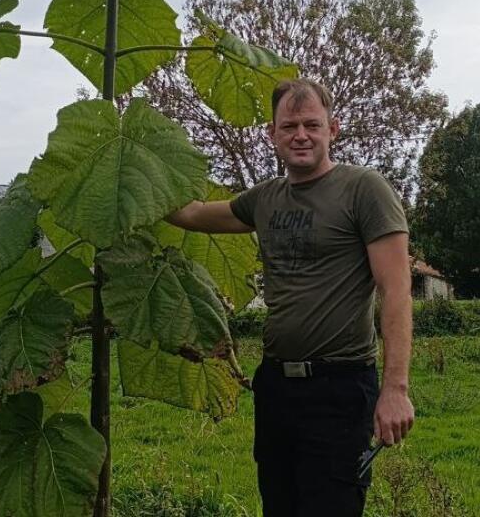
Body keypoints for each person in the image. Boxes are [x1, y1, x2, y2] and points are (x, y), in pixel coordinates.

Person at [166, 78, 415, 516]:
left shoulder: (364, 190)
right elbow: (192, 213)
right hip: (276, 386)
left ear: (332, 130)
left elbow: (395, 289)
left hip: (340, 387)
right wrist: (141, 166)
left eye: (312, 125)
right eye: (290, 126)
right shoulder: (265, 199)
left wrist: (395, 388)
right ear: (272, 133)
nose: (301, 135)